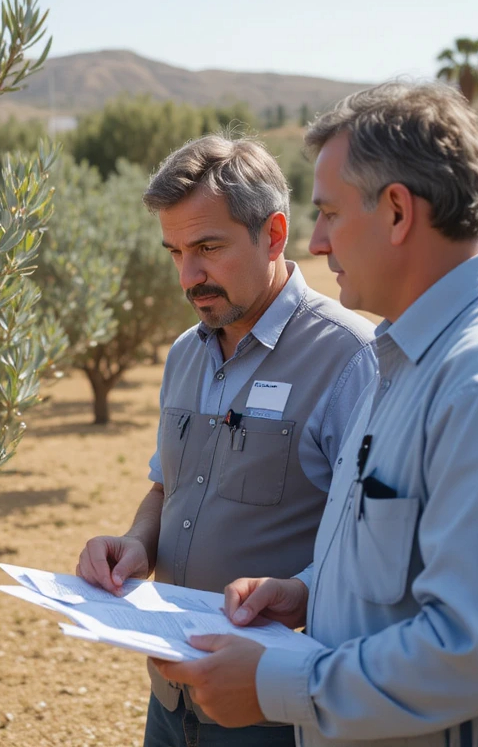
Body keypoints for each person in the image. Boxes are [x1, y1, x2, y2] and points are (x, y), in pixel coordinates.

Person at [151, 82, 478, 747]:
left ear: (399, 212)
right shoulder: (410, 360)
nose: (316, 243)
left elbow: (474, 651)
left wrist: (274, 686)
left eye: (328, 214)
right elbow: (404, 560)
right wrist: (307, 593)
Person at [74, 135, 378, 747]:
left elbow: (376, 543)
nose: (189, 276)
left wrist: (303, 593)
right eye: (175, 252)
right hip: (170, 700)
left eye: (208, 248)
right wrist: (136, 544)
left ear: (273, 233)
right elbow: (169, 484)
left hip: (271, 710)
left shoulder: (351, 358)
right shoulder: (186, 354)